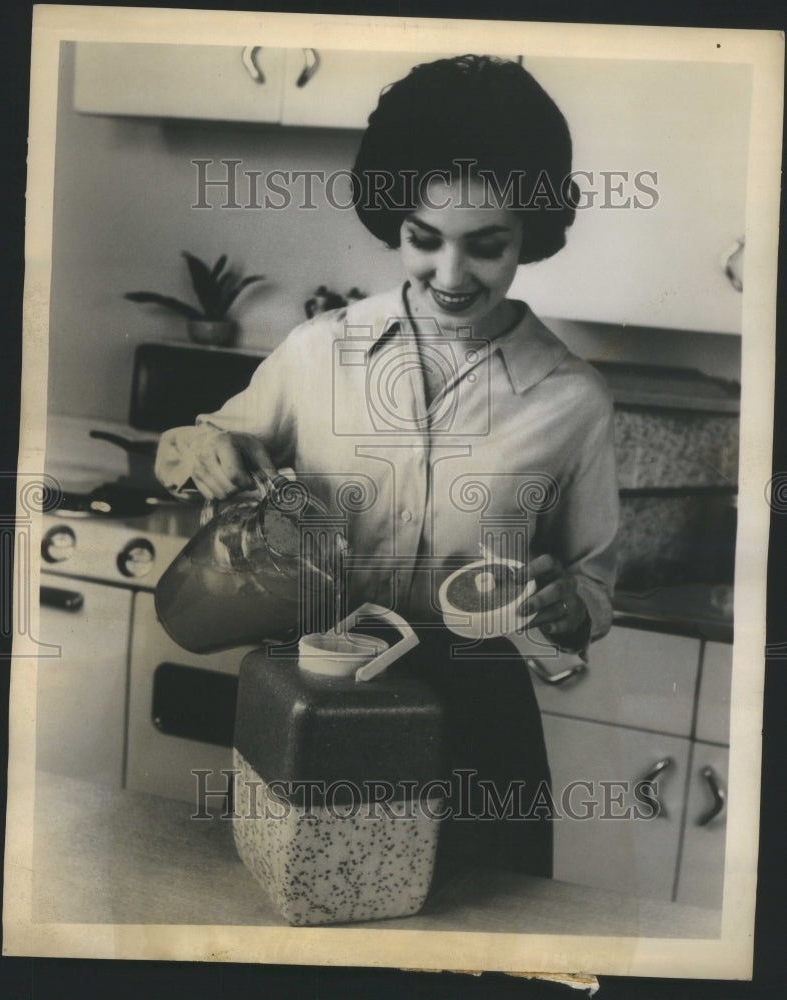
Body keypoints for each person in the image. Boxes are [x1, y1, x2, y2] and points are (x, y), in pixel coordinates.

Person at [156, 55, 620, 880]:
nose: (450, 275)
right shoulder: (317, 352)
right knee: (305, 931)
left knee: (481, 945)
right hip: (317, 697)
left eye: (486, 246)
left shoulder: (571, 399)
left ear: (533, 235)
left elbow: (592, 582)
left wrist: (566, 607)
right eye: (423, 239)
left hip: (478, 723)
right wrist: (207, 449)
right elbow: (194, 448)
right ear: (392, 221)